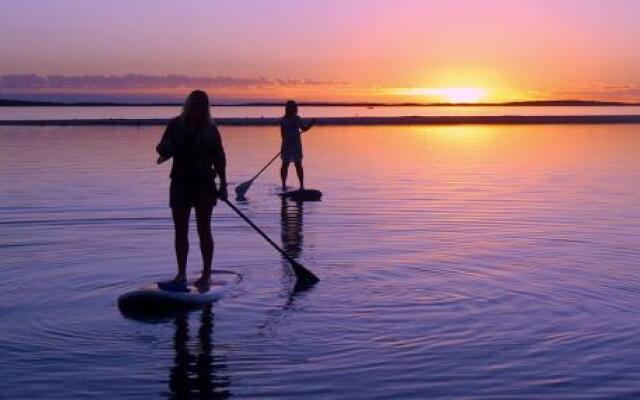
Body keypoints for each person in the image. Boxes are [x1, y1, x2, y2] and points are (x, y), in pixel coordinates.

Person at [156, 90, 227, 292]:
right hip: (180, 183)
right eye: (195, 104)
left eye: (202, 105)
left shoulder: (211, 130)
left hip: (205, 185)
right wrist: (164, 148)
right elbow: (161, 148)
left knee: (204, 229)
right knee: (180, 231)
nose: (199, 108)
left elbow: (220, 159)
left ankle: (206, 275)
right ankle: (181, 275)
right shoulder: (174, 125)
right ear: (188, 105)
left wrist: (223, 185)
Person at [280, 100, 315, 191]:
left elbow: (304, 129)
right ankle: (283, 185)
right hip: (287, 145)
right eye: (290, 107)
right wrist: (286, 142)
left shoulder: (297, 118)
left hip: (296, 145)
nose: (292, 109)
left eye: (294, 107)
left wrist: (311, 124)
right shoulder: (283, 120)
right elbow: (282, 134)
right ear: (287, 109)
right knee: (285, 164)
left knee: (298, 164)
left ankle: (302, 185)